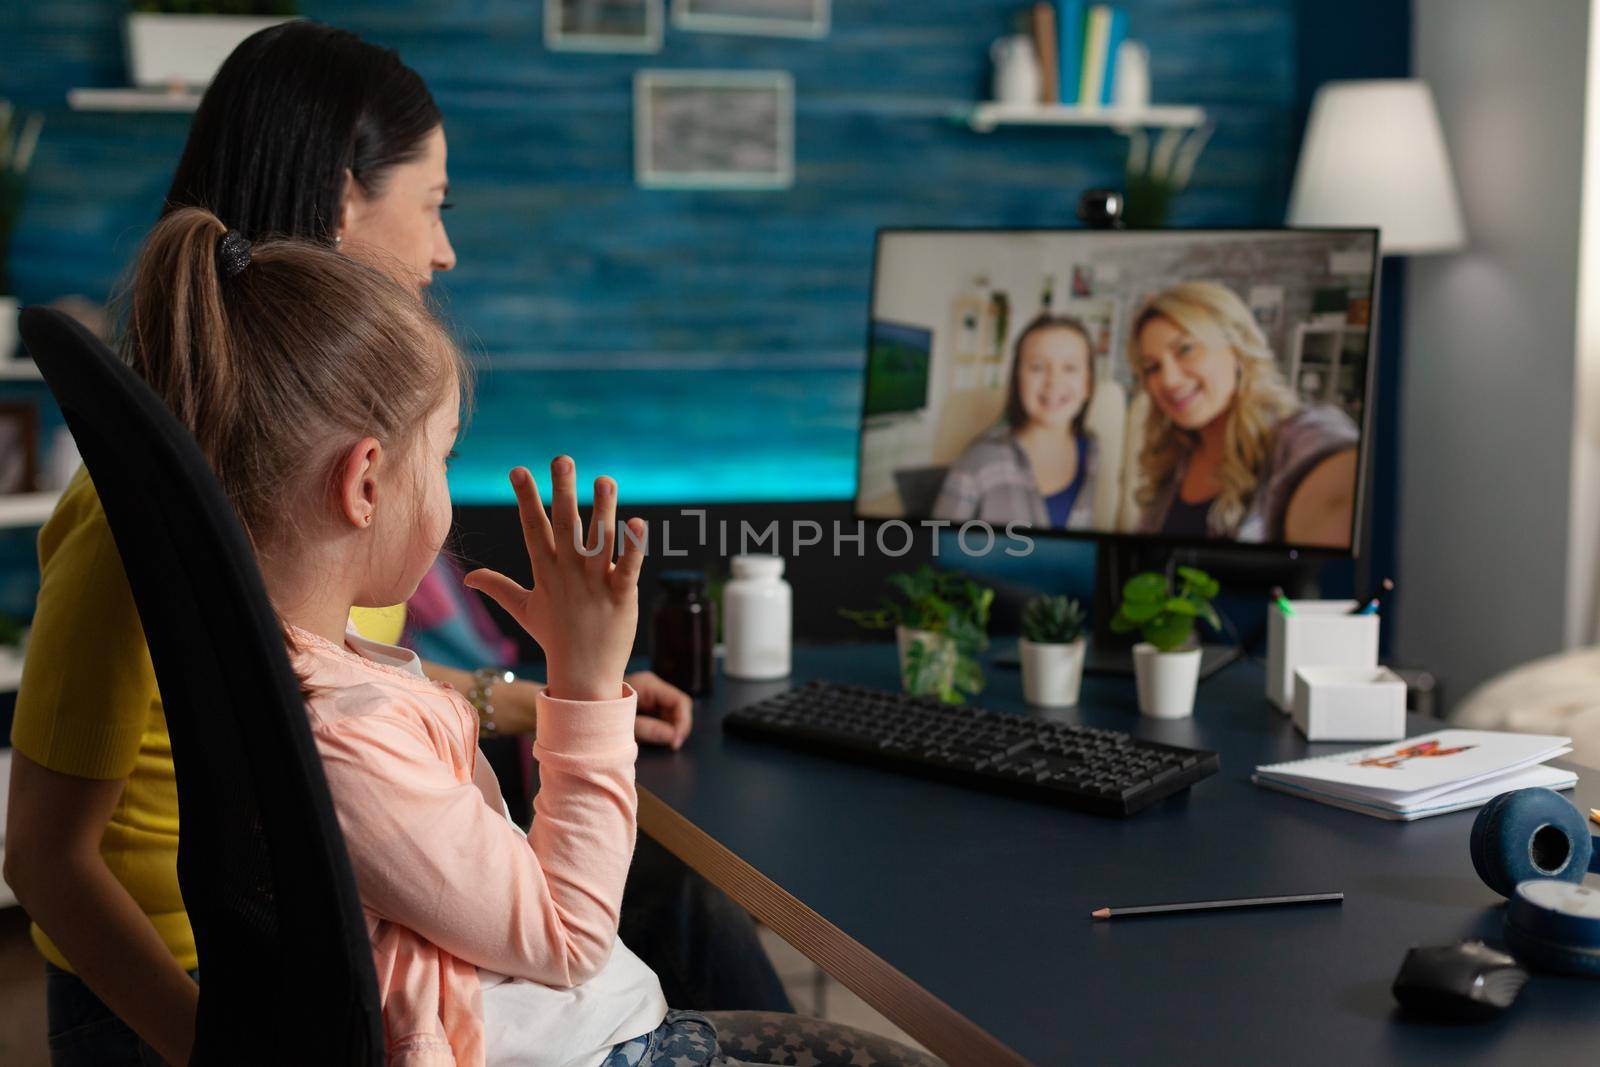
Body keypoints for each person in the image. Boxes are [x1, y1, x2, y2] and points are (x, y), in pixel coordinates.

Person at [3, 22, 782, 1067]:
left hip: (345, 915)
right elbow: (48, 861)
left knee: (675, 899)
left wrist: (541, 693)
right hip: (203, 982)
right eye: (435, 204)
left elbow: (329, 695)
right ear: (340, 203)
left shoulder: (289, 519)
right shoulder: (141, 514)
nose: (446, 248)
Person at [127, 205, 937, 1067]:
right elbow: (566, 931)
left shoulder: (302, 675)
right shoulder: (347, 735)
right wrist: (586, 684)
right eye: (441, 458)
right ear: (365, 481)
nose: (445, 487)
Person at [1124, 281, 1359, 545]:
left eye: (1186, 350)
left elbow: (1339, 486)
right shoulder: (1173, 457)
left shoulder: (1294, 436)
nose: (1168, 380)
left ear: (1237, 348)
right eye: (1152, 367)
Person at [932, 315, 1099, 529]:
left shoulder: (1094, 451)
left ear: (1088, 384)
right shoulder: (981, 457)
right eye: (1037, 367)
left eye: (1070, 368)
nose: (1054, 381)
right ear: (1017, 379)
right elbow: (938, 543)